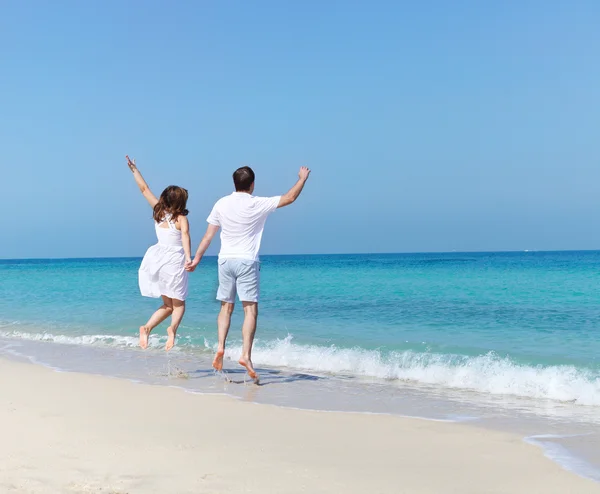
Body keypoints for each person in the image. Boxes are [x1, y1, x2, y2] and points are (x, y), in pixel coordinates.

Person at [186, 165, 311, 382]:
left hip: (225, 260)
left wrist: (196, 259)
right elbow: (290, 198)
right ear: (252, 185)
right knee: (250, 310)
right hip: (246, 261)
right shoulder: (256, 203)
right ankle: (246, 355)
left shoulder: (221, 203)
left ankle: (221, 347)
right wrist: (302, 179)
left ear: (234, 184)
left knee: (226, 307)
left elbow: (208, 236)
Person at [126, 155, 192, 351]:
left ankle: (146, 328)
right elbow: (185, 237)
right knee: (179, 305)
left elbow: (144, 189)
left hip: (157, 259)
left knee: (168, 305)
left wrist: (134, 170)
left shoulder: (158, 212)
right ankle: (172, 329)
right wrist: (189, 257)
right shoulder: (181, 219)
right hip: (174, 260)